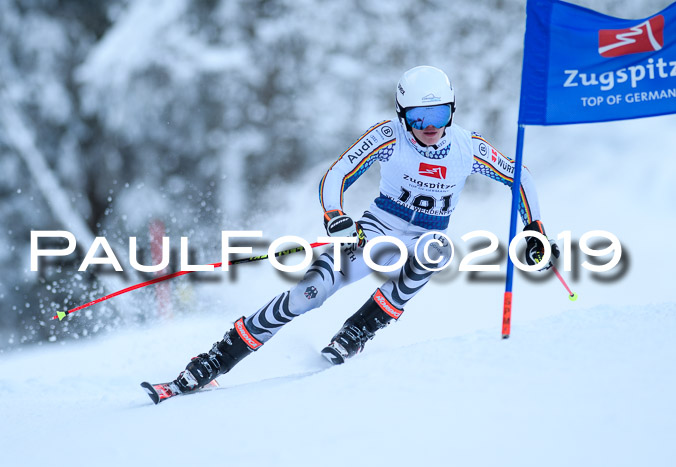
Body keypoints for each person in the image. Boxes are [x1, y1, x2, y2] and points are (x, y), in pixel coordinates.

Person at [164, 65, 559, 394]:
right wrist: (336, 216)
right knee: (307, 296)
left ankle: (358, 330)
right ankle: (216, 358)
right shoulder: (389, 136)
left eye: (439, 115)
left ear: (452, 111)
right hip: (374, 235)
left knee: (435, 248)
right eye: (419, 118)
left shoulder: (466, 147)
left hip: (424, 238)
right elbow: (335, 176)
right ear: (402, 114)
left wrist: (535, 231)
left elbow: (520, 176)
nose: (430, 127)